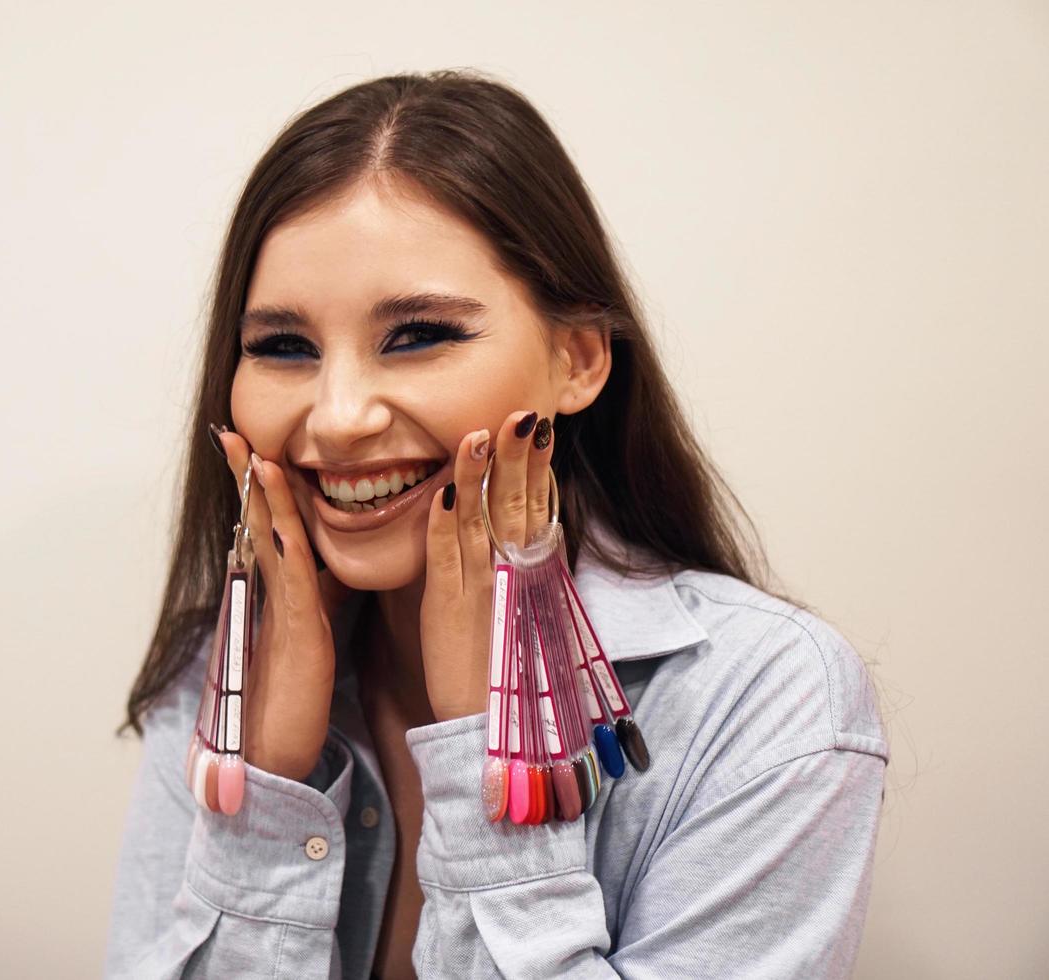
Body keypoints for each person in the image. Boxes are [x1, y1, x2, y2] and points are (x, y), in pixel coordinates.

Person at [104, 69, 887, 979]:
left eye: (419, 334)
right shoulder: (218, 680)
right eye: (283, 347)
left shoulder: (767, 698)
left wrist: (492, 764)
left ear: (577, 359)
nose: (339, 416)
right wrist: (266, 800)